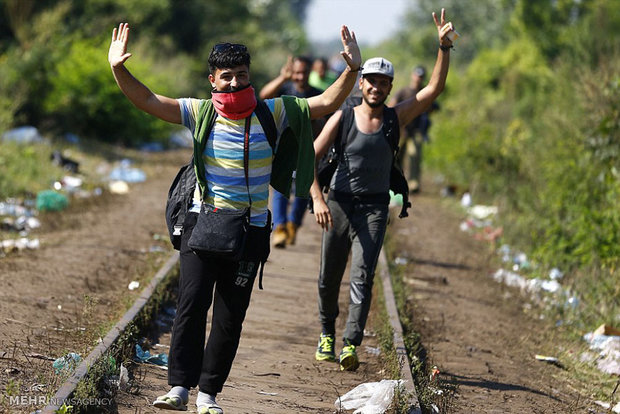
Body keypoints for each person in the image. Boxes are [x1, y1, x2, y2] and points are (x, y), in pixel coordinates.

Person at [108, 22, 361, 413]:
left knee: (229, 318)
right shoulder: (201, 112)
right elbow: (149, 100)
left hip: (252, 229)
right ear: (213, 79)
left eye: (241, 75)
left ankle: (208, 395)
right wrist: (118, 69)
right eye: (226, 77)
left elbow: (326, 102)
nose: (234, 83)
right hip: (202, 224)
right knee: (191, 307)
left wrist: (352, 70)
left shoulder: (272, 111)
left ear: (250, 76)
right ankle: (178, 388)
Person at [309, 9, 455, 372]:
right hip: (339, 204)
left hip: (374, 209)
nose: (376, 87)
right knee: (329, 277)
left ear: (390, 87)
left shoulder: (395, 117)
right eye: (370, 81)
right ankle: (327, 332)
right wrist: (317, 198)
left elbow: (433, 89)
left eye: (382, 82)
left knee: (362, 275)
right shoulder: (342, 117)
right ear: (361, 85)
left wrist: (443, 48)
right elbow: (308, 158)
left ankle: (349, 343)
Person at [259, 56, 323, 248]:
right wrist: (282, 78)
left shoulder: (317, 94)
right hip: (283, 148)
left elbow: (324, 122)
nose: (300, 76)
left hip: (307, 149)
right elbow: (263, 96)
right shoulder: (285, 90)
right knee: (280, 187)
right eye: (296, 72)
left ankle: (293, 224)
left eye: (303, 72)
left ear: (310, 72)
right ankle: (279, 228)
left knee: (303, 190)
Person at [388, 65, 440, 193]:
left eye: (421, 76)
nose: (418, 78)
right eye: (417, 75)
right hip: (401, 130)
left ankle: (413, 184)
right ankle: (394, 182)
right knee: (396, 156)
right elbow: (391, 106)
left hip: (416, 131)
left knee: (415, 156)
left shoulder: (425, 93)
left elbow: (435, 107)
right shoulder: (404, 91)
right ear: (413, 75)